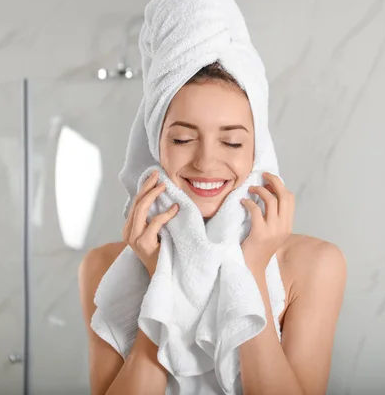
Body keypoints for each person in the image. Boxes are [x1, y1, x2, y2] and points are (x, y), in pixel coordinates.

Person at [78, 62, 347, 395]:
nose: (205, 162)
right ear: (155, 147)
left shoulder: (314, 264)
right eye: (182, 138)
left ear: (256, 153)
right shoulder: (103, 266)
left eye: (232, 142)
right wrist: (158, 278)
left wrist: (252, 271)